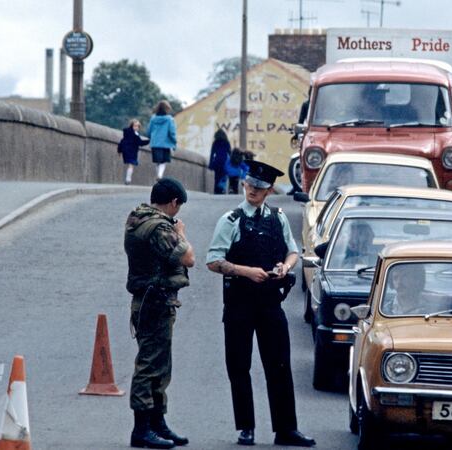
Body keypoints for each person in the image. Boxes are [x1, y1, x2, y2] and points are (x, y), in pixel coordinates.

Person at [206, 160, 316, 448]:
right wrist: (245, 271)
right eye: (250, 185)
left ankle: (286, 429)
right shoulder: (230, 220)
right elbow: (213, 261)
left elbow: (294, 251)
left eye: (260, 188)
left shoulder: (277, 218)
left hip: (270, 303)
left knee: (279, 365)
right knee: (239, 365)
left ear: (268, 192)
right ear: (244, 184)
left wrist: (284, 267)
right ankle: (246, 428)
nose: (253, 190)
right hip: (239, 303)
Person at [124, 178, 195, 449]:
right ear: (174, 202)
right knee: (150, 365)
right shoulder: (158, 228)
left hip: (150, 301)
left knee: (159, 364)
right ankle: (142, 429)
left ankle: (157, 423)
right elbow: (188, 258)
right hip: (155, 301)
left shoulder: (138, 218)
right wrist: (182, 234)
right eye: (179, 206)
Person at [146, 100, 178, 180]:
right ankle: (160, 175)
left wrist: (151, 138)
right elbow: (172, 132)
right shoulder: (169, 119)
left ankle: (158, 176)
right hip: (165, 144)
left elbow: (149, 131)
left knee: (157, 161)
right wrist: (174, 141)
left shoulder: (153, 119)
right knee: (163, 161)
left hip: (155, 143)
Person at [118, 119, 151, 185]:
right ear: (131, 126)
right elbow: (140, 142)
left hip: (127, 150)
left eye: (138, 126)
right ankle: (128, 179)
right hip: (131, 151)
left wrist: (119, 150)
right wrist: (149, 141)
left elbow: (122, 141)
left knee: (130, 165)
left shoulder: (127, 133)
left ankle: (128, 179)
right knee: (131, 165)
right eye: (135, 126)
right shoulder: (134, 134)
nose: (137, 127)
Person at [209, 129, 232, 194]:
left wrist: (210, 164)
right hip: (224, 162)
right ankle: (222, 189)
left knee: (216, 177)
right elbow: (230, 153)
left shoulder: (215, 142)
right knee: (223, 177)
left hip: (217, 161)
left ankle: (216, 190)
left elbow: (212, 154)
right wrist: (231, 164)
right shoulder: (226, 142)